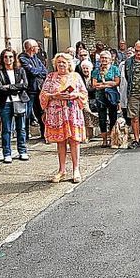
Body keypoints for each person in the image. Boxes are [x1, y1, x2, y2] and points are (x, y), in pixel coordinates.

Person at [40, 53, 88, 182]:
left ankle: (76, 169)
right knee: (60, 141)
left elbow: (84, 93)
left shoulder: (76, 76)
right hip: (57, 113)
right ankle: (61, 170)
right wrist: (54, 95)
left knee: (74, 141)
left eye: (64, 62)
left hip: (72, 112)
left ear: (69, 64)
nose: (61, 64)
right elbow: (43, 94)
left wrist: (76, 95)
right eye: (59, 62)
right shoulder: (51, 77)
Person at [0, 48, 31, 162]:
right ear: (2, 59)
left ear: (14, 58)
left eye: (10, 57)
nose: (8, 59)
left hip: (19, 101)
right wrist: (16, 87)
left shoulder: (21, 70)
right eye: (5, 57)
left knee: (21, 128)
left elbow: (25, 85)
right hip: (5, 103)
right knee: (7, 129)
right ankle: (7, 153)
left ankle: (22, 151)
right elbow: (0, 89)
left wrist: (9, 87)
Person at [90, 51, 121, 148]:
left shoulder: (114, 69)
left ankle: (113, 138)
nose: (104, 59)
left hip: (112, 96)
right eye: (102, 57)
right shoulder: (96, 71)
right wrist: (108, 84)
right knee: (102, 118)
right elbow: (94, 84)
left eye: (106, 58)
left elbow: (116, 82)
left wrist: (103, 85)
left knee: (113, 117)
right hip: (100, 97)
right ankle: (104, 140)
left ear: (110, 59)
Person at [20, 39, 48, 140]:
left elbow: (44, 71)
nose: (38, 49)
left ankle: (44, 133)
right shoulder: (22, 58)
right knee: (26, 113)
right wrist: (37, 71)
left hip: (39, 89)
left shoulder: (36, 58)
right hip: (28, 90)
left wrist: (37, 71)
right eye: (37, 47)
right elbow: (31, 71)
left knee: (40, 111)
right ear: (32, 48)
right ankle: (25, 135)